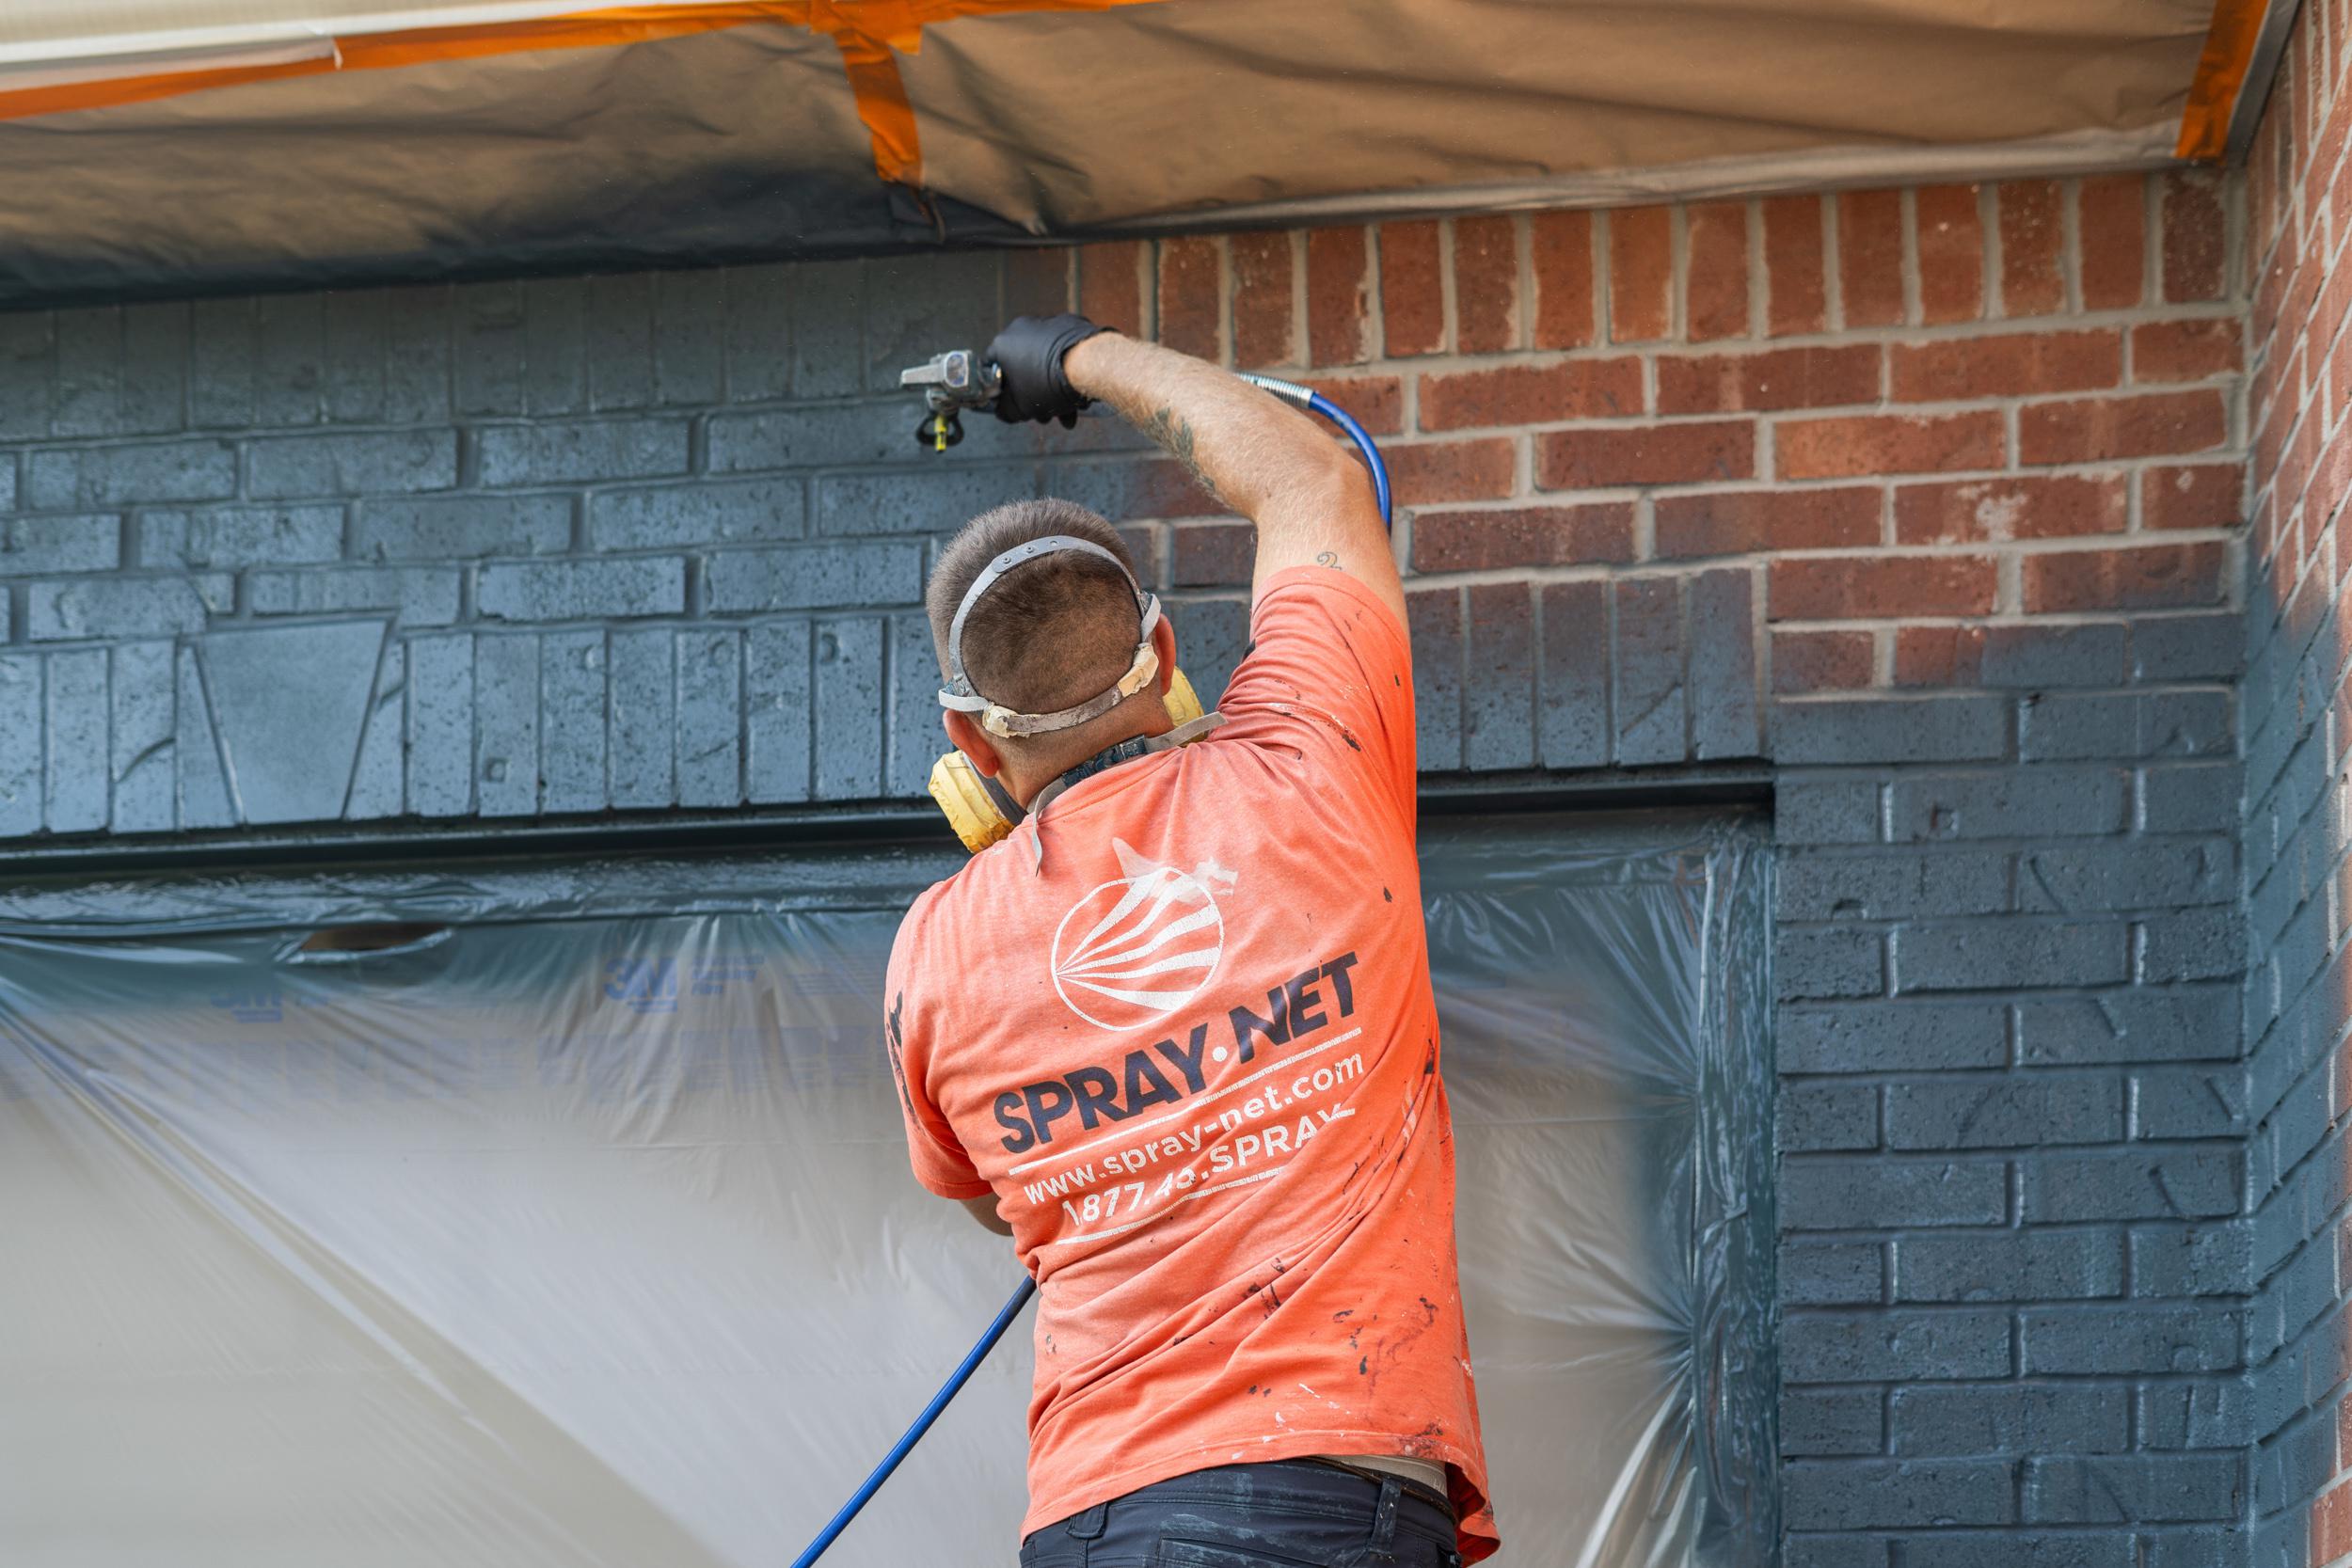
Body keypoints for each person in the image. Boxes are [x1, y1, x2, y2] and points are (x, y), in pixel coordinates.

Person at [882, 313, 1497, 1567]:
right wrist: (1073, 355)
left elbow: (990, 1199)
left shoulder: (934, 959)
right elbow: (1307, 475)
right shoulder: (1312, 766)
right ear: (1166, 659)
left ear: (970, 749)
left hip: (1091, 1522)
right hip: (1326, 1501)